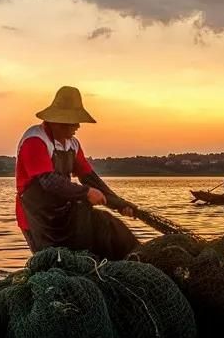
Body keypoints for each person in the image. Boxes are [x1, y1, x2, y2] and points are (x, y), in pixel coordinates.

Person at [15, 86, 138, 260]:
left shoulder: (72, 144)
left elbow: (90, 179)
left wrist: (119, 204)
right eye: (74, 122)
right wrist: (85, 192)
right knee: (53, 262)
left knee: (105, 223)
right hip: (38, 220)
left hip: (64, 214)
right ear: (58, 121)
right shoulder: (35, 140)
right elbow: (49, 181)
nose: (78, 126)